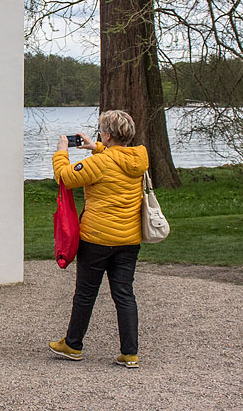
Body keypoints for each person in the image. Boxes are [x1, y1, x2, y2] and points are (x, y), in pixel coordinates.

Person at [47, 110, 149, 369]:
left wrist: (62, 152)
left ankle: (73, 344)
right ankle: (130, 352)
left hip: (97, 238)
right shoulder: (137, 159)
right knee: (124, 294)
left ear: (108, 134)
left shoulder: (100, 163)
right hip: (128, 239)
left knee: (85, 294)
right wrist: (96, 147)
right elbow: (115, 159)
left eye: (102, 130)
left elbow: (65, 177)